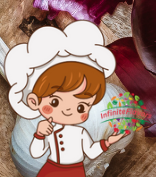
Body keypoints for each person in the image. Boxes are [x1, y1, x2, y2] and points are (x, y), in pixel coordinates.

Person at [4, 22, 131, 177]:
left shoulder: (81, 133)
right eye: (55, 102)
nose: (68, 110)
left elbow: (91, 151)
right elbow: (37, 151)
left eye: (81, 108)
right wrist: (39, 135)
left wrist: (109, 142)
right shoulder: (50, 129)